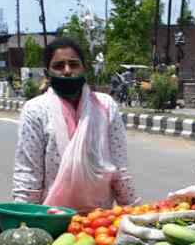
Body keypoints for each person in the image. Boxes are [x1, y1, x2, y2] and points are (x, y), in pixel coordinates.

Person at [12, 37, 139, 213]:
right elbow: (28, 174)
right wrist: (24, 219)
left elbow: (119, 167)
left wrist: (136, 211)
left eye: (73, 64)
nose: (67, 71)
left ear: (84, 68)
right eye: (58, 66)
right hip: (53, 217)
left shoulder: (105, 106)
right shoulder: (36, 110)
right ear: (47, 73)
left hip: (99, 219)